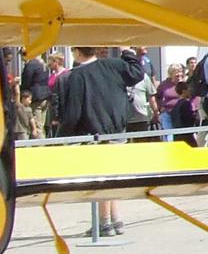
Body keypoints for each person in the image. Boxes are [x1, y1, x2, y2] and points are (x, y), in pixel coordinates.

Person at [51, 46, 144, 235]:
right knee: (112, 176)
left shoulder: (77, 75)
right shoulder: (114, 65)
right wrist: (127, 52)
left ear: (76, 53)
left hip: (95, 133)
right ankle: (115, 219)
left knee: (101, 179)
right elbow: (137, 73)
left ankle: (104, 222)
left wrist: (62, 136)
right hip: (118, 130)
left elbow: (74, 110)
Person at [19, 52, 50, 138]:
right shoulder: (42, 64)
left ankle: (39, 146)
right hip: (45, 96)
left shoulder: (31, 64)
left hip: (35, 98)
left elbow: (26, 81)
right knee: (41, 125)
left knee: (36, 126)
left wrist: (22, 94)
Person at [155, 64, 187, 140]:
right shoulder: (164, 84)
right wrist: (159, 108)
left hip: (181, 113)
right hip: (167, 112)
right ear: (171, 73)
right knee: (169, 135)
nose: (179, 74)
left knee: (181, 135)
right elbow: (157, 97)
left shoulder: (184, 84)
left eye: (180, 72)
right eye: (176, 72)